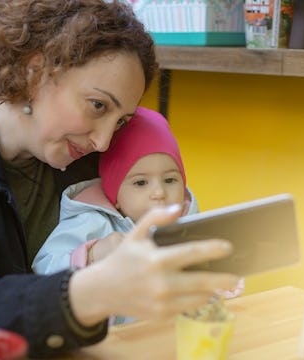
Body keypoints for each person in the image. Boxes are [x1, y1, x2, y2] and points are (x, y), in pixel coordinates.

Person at [0, 0, 239, 359]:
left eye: (121, 121)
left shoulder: (86, 154)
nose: (104, 141)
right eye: (97, 105)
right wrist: (94, 289)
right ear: (35, 71)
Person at [32, 106, 199, 275]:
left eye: (170, 180)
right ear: (115, 194)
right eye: (141, 182)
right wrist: (92, 255)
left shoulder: (190, 219)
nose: (159, 193)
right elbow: (43, 269)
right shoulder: (91, 222)